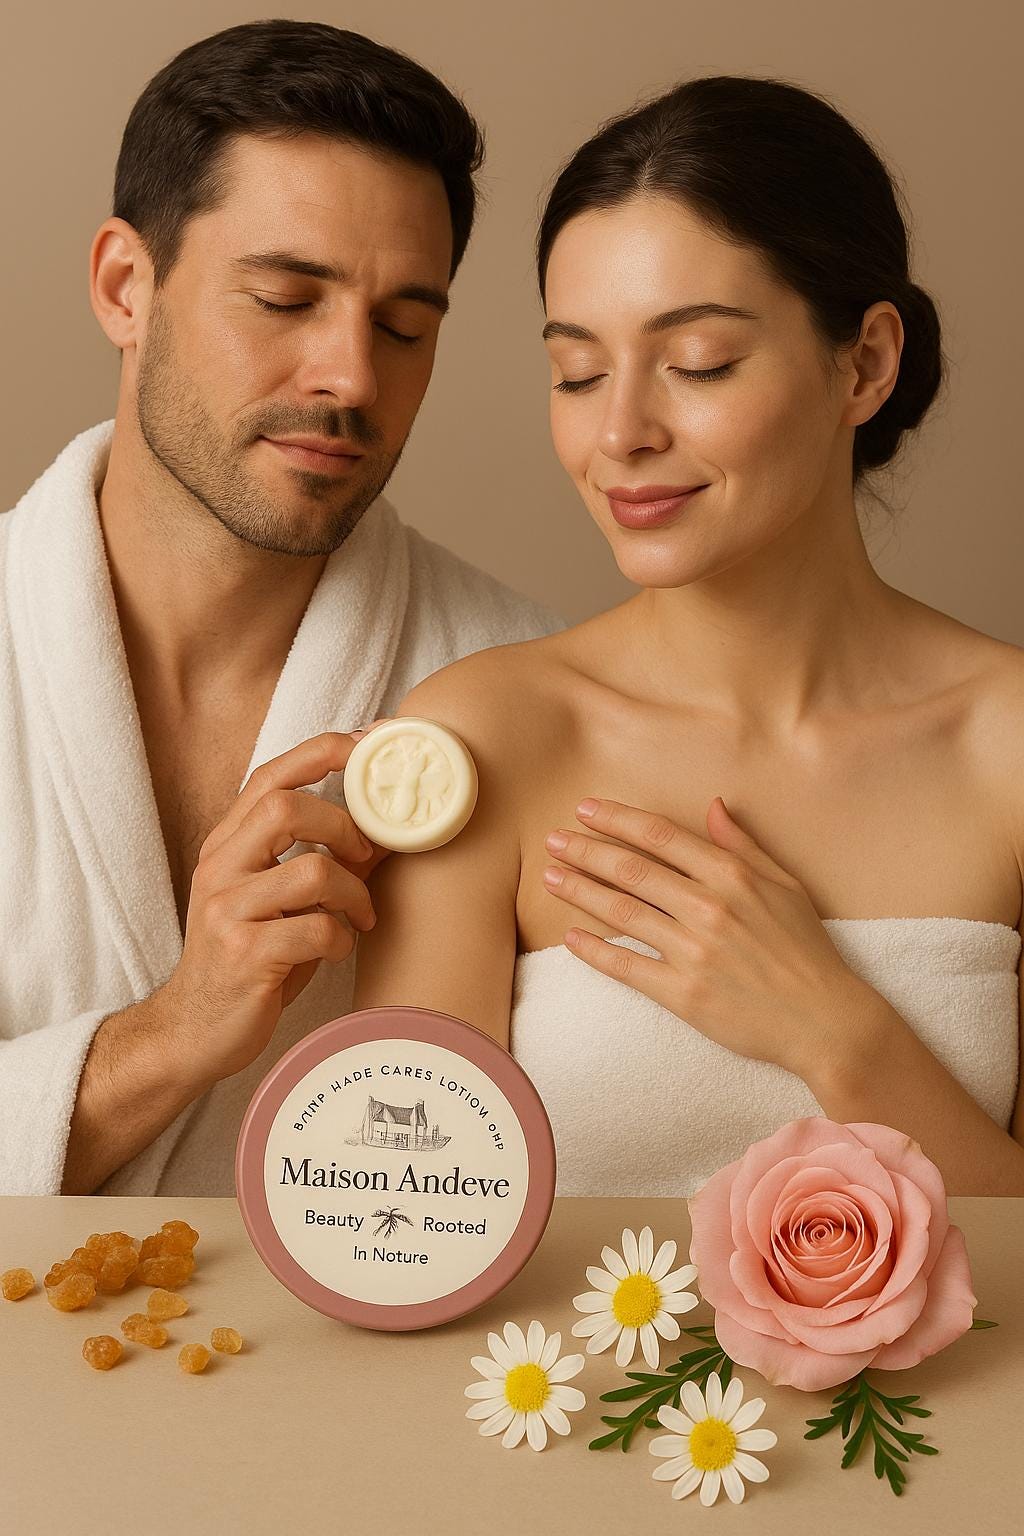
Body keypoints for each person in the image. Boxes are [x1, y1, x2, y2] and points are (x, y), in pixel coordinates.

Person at [353, 74, 1024, 1199]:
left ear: (865, 363)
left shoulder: (1008, 748)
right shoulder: (485, 743)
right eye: (577, 373)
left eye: (698, 362)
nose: (619, 431)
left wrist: (835, 1032)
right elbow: (396, 1236)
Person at [0, 20, 563, 1197]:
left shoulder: (522, 686)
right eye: (283, 298)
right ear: (125, 287)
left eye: (404, 327)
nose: (351, 376)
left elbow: (578, 1164)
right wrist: (178, 1029)